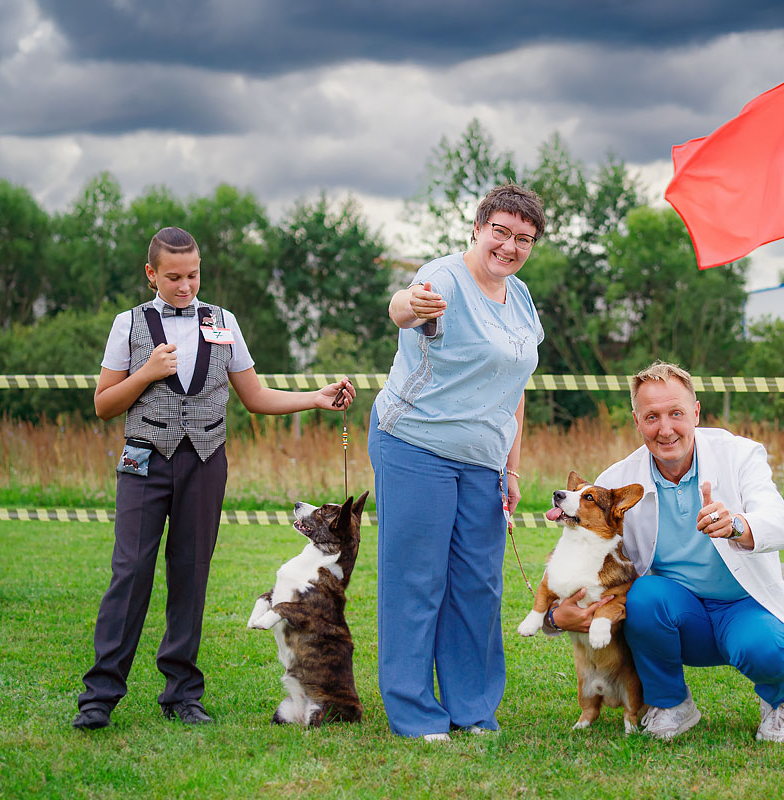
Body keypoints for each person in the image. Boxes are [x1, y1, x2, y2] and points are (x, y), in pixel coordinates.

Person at [72, 226, 355, 731]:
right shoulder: (128, 324)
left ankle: (181, 693)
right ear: (151, 274)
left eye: (194, 275)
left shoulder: (223, 322)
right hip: (144, 460)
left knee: (190, 573)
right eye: (174, 277)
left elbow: (256, 397)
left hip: (204, 462)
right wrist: (146, 373)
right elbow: (103, 405)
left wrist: (314, 397)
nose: (186, 286)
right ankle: (100, 695)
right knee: (130, 572)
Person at [547, 361, 784, 743]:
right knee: (645, 596)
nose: (665, 429)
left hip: (743, 606)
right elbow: (574, 563)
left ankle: (779, 703)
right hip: (678, 615)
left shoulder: (740, 455)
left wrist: (737, 524)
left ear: (696, 412)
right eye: (652, 417)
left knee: (766, 650)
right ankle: (671, 704)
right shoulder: (616, 482)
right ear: (637, 421)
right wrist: (554, 618)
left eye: (676, 414)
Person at [369, 184, 545, 741]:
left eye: (524, 238)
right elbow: (405, 304)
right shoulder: (443, 279)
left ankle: (472, 708)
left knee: (478, 585)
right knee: (417, 580)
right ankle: (415, 711)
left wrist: (511, 470)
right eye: (501, 232)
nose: (510, 246)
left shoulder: (520, 298)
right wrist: (408, 305)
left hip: (483, 460)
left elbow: (515, 389)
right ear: (478, 228)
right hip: (415, 445)